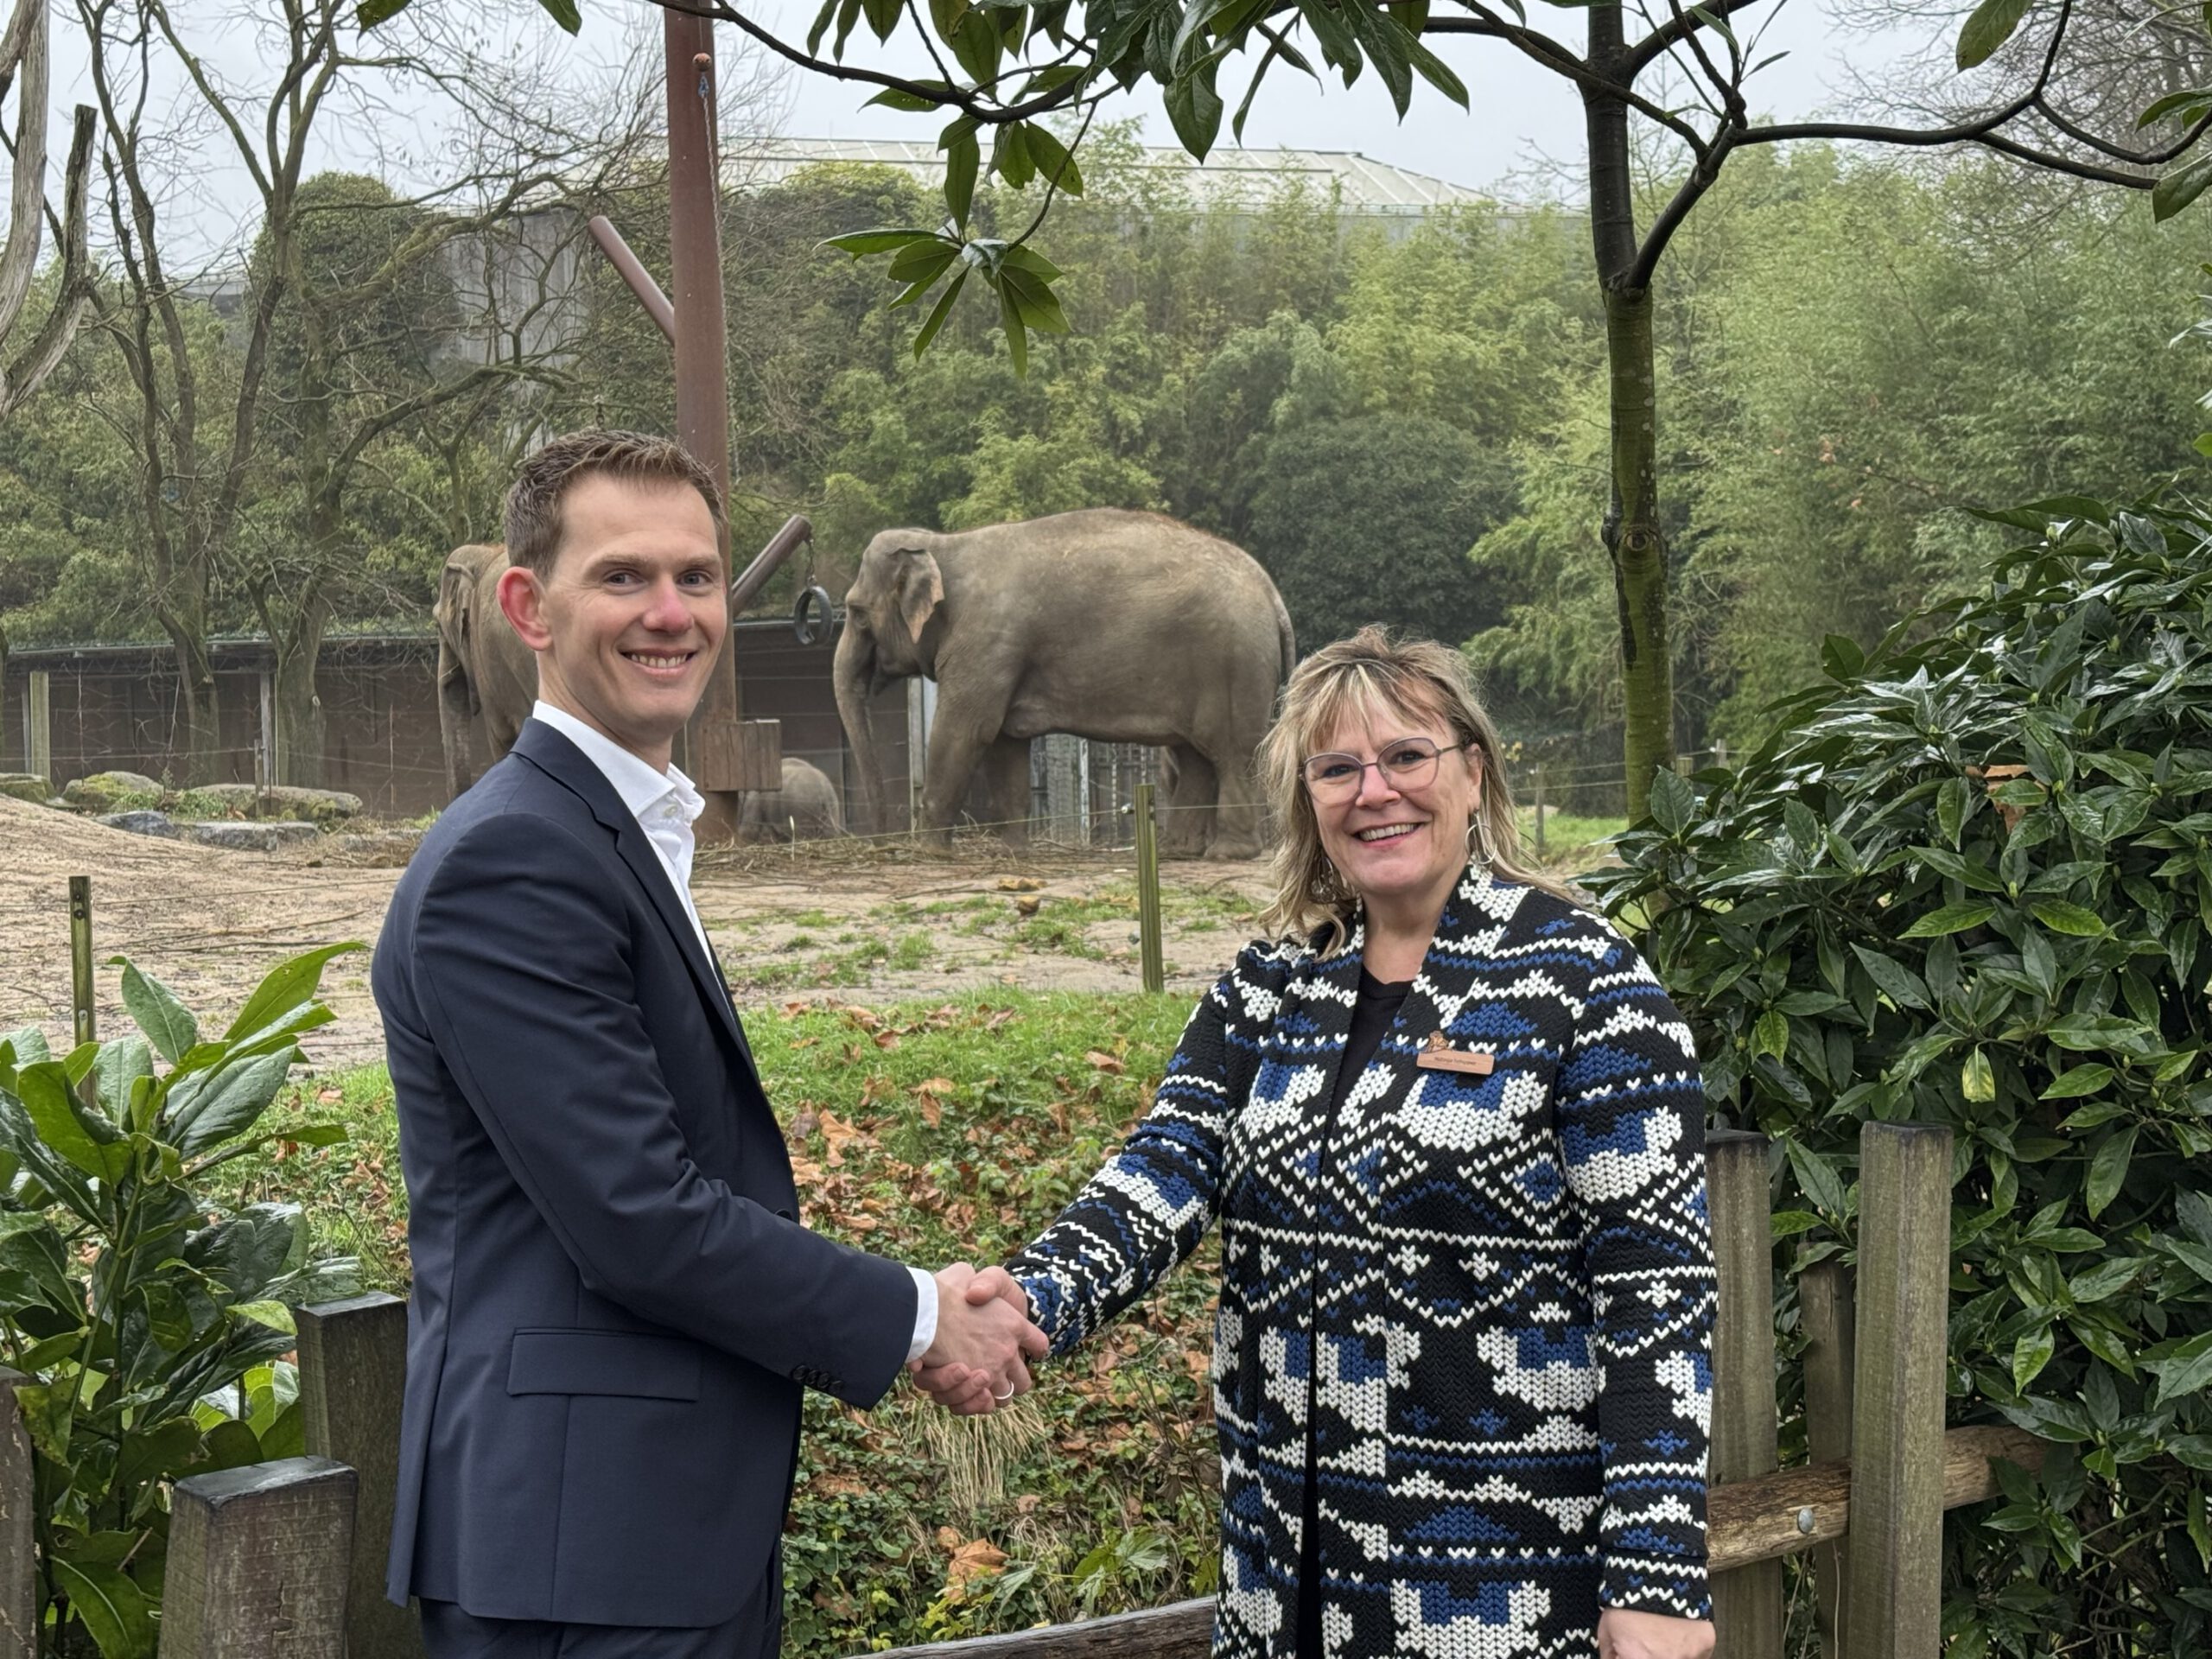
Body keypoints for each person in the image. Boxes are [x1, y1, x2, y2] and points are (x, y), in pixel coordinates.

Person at [372, 429, 1044, 1659]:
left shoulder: (608, 831)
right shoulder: (514, 860)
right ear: (528, 604)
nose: (670, 613)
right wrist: (918, 1317)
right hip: (581, 1558)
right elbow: (638, 1216)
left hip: (647, 1532)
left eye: (695, 578)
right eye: (622, 577)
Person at [919, 627, 1717, 1659]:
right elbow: (1164, 1171)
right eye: (1335, 768)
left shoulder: (1586, 986)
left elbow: (1654, 1288)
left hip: (1501, 1589)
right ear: (1307, 801)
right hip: (1281, 1580)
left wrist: (1654, 1571)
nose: (1372, 790)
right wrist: (1027, 1304)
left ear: (1472, 774)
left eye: (1404, 757)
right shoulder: (1271, 985)